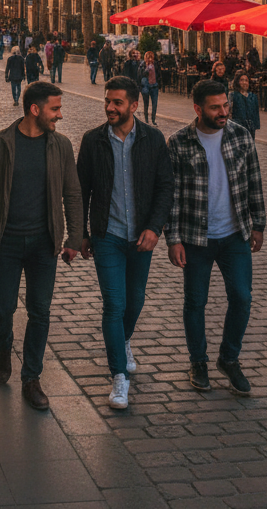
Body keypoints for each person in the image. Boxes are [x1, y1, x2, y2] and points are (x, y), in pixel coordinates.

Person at [0, 82, 83, 411]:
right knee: (2, 309)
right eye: (54, 109)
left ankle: (31, 378)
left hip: (44, 244)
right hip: (6, 241)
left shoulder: (61, 146)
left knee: (40, 311)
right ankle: (4, 345)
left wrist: (74, 238)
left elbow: (72, 193)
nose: (59, 115)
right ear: (35, 109)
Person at [77, 76, 174, 410]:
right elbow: (81, 191)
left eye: (117, 102)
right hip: (108, 236)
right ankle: (118, 374)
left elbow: (165, 187)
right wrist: (83, 235)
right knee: (114, 305)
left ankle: (124, 339)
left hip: (141, 238)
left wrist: (154, 228)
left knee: (135, 300)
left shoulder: (153, 139)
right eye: (107, 101)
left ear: (134, 105)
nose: (110, 108)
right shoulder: (93, 141)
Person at [166, 79, 266, 396]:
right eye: (215, 107)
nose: (223, 112)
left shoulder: (240, 136)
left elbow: (254, 180)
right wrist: (174, 238)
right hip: (196, 238)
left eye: (226, 105)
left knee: (242, 297)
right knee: (195, 302)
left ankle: (229, 358)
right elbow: (172, 196)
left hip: (234, 233)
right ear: (198, 109)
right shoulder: (179, 142)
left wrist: (259, 224)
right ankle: (199, 361)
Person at [229, 72, 260, 139]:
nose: (244, 82)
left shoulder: (253, 96)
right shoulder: (233, 95)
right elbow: (230, 111)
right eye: (242, 80)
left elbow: (256, 111)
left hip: (250, 126)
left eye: (246, 80)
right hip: (238, 126)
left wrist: (256, 125)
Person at [141, 51, 160, 125]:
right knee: (146, 104)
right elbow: (141, 75)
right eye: (148, 58)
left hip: (154, 86)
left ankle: (153, 120)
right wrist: (147, 69)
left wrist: (159, 84)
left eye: (151, 57)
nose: (150, 59)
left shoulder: (155, 64)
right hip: (146, 87)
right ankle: (146, 120)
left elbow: (158, 74)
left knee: (154, 104)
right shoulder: (143, 65)